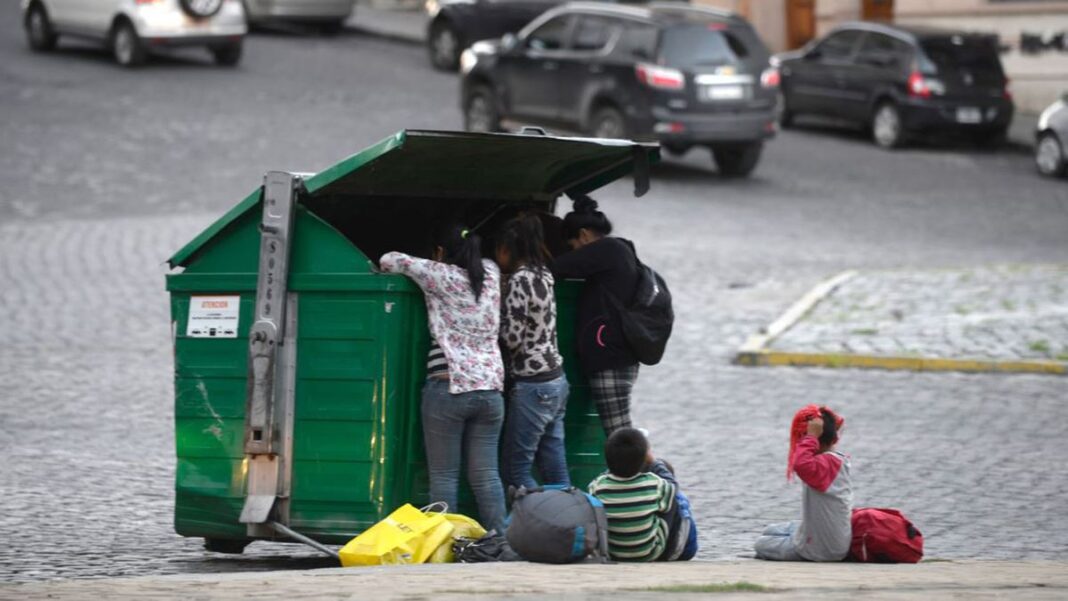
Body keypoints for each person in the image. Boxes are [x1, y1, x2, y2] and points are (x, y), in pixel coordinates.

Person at [379, 223, 507, 533]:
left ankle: (446, 546)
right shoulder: (491, 273)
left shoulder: (439, 275)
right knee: (487, 475)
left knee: (445, 476)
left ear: (440, 252)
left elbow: (388, 260)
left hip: (448, 386)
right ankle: (501, 541)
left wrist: (431, 262)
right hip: (490, 390)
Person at [551, 196, 640, 436]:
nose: (574, 252)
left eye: (573, 246)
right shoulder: (618, 249)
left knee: (619, 434)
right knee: (619, 431)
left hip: (611, 358)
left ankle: (661, 473)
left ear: (583, 235)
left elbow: (555, 268)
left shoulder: (606, 249)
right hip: (618, 355)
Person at [495, 214, 571, 490]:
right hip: (556, 380)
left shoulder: (519, 279)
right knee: (555, 471)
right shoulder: (544, 274)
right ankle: (569, 527)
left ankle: (529, 528)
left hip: (533, 384)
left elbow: (512, 338)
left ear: (506, 248)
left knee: (515, 472)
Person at [754, 405, 853, 562]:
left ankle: (798, 543)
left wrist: (811, 436)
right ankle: (797, 537)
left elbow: (800, 464)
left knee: (762, 543)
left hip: (819, 550)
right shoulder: (835, 460)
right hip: (835, 541)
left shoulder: (823, 464)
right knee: (771, 529)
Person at [588, 428, 697, 562]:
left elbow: (600, 480)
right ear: (644, 459)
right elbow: (672, 485)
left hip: (613, 553)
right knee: (679, 499)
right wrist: (655, 462)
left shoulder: (597, 486)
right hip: (652, 552)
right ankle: (682, 549)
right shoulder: (654, 484)